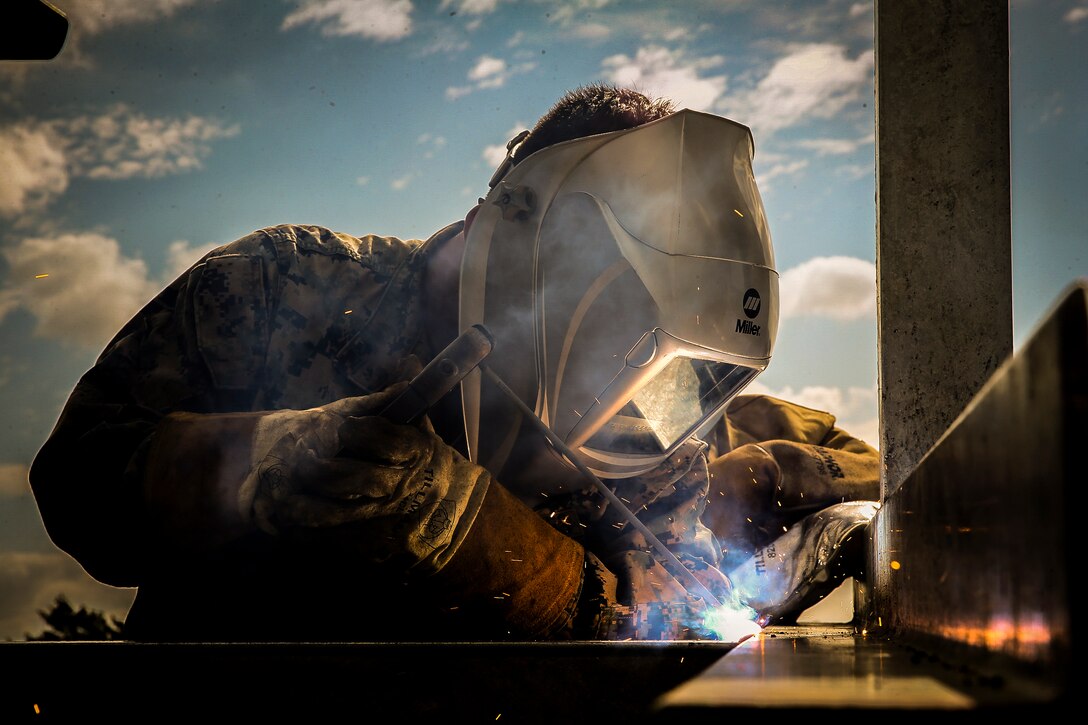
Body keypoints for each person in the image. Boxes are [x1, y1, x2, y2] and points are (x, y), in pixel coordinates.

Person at [29, 84, 880, 642]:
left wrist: (480, 535)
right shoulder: (272, 287)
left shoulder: (643, 436)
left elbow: (683, 617)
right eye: (615, 320)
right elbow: (75, 486)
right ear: (523, 240)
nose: (632, 390)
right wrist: (267, 461)